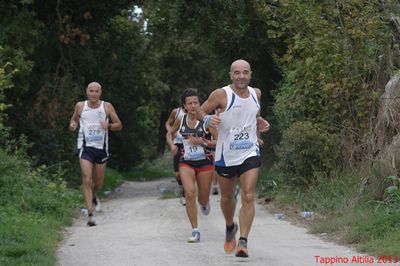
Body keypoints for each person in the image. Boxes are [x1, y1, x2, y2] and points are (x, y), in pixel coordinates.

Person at [198, 59, 270, 257]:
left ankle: (243, 242)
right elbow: (199, 111)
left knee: (248, 195)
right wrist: (206, 118)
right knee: (227, 197)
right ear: (231, 75)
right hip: (225, 155)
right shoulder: (221, 94)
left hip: (249, 151)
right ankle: (230, 226)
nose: (241, 76)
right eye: (237, 73)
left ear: (250, 74)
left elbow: (254, 115)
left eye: (245, 72)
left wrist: (259, 124)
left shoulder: (256, 93)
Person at [166, 88, 218, 243]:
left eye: (196, 102)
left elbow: (218, 140)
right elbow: (170, 134)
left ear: (199, 104)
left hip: (205, 162)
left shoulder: (206, 121)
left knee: (202, 198)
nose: (194, 105)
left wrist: (203, 142)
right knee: (189, 193)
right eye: (190, 103)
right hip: (186, 162)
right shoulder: (180, 120)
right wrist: (172, 146)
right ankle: (195, 230)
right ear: (185, 106)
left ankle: (204, 202)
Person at [69, 81, 122, 226]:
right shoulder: (80, 106)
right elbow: (74, 119)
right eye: (91, 91)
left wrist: (109, 125)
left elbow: (119, 125)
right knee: (87, 179)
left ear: (100, 93)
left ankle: (94, 196)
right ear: (87, 92)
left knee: (98, 183)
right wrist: (73, 124)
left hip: (101, 149)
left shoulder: (107, 106)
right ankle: (90, 214)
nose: (93, 93)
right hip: (85, 148)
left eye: (96, 91)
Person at [165, 106, 186, 205]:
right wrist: (171, 131)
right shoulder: (176, 112)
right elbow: (168, 123)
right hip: (178, 143)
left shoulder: (197, 112)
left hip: (189, 144)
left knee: (188, 170)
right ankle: (181, 186)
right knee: (177, 174)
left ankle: (186, 192)